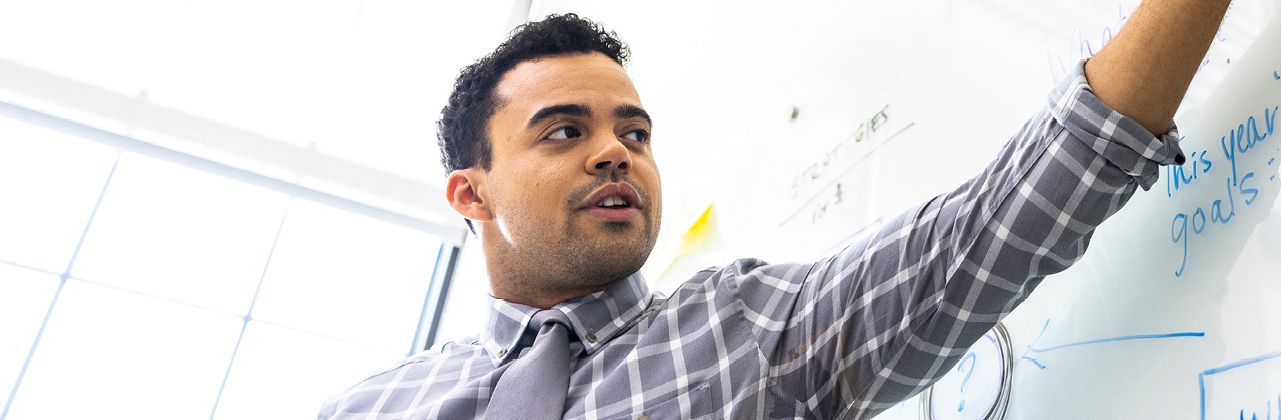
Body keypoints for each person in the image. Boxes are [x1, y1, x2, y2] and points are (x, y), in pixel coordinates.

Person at [320, 1, 1228, 418]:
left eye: (635, 133)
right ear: (469, 193)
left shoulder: (751, 332)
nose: (615, 152)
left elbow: (1002, 220)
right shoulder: (369, 408)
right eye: (563, 132)